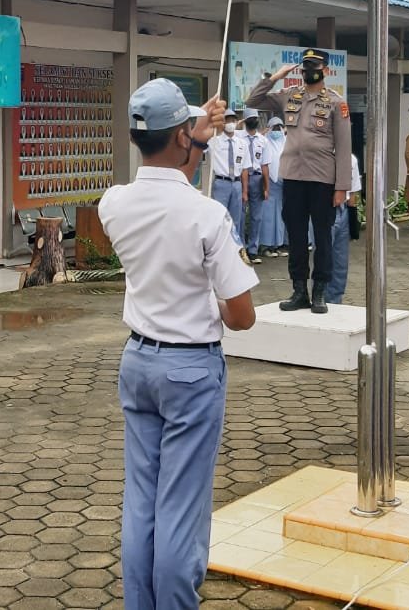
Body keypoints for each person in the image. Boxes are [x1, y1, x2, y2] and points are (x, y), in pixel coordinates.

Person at [100, 79, 256, 610]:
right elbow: (242, 317)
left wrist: (197, 136)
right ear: (181, 139)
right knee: (181, 510)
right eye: (190, 130)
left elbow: (169, 174)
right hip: (190, 370)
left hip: (138, 360)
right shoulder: (207, 214)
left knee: (142, 500)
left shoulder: (114, 203)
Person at [246, 48, 352, 315]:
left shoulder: (336, 103)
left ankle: (319, 291)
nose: (309, 71)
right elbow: (254, 99)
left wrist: (341, 187)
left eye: (315, 66)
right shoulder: (289, 96)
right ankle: (299, 290)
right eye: (306, 66)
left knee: (323, 237)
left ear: (325, 70)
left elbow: (343, 146)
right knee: (295, 236)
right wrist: (275, 77)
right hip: (293, 176)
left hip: (322, 178)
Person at [206, 114, 252, 264]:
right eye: (227, 120)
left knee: (236, 220)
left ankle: (236, 253)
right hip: (221, 183)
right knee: (219, 219)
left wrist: (245, 191)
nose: (230, 123)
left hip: (237, 184)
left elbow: (245, 168)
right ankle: (219, 253)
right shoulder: (215, 141)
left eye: (233, 120)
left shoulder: (242, 144)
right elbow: (201, 149)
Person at [321, 152, 362, 305]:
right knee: (324, 257)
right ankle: (320, 297)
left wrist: (353, 224)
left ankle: (336, 301)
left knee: (340, 262)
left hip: (343, 210)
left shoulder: (351, 159)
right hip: (324, 208)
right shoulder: (319, 156)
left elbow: (352, 194)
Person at [237, 109, 271, 263]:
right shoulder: (238, 136)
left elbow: (265, 166)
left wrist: (266, 187)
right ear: (245, 121)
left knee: (256, 217)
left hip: (257, 179)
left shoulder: (263, 141)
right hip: (241, 178)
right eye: (250, 118)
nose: (254, 121)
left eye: (255, 118)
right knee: (240, 215)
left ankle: (253, 250)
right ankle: (241, 248)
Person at [259, 118, 287, 257]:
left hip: (283, 182)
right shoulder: (264, 141)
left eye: (279, 128)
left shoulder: (286, 142)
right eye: (274, 128)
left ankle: (277, 245)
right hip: (268, 182)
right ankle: (265, 246)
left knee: (280, 216)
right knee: (267, 215)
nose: (276, 131)